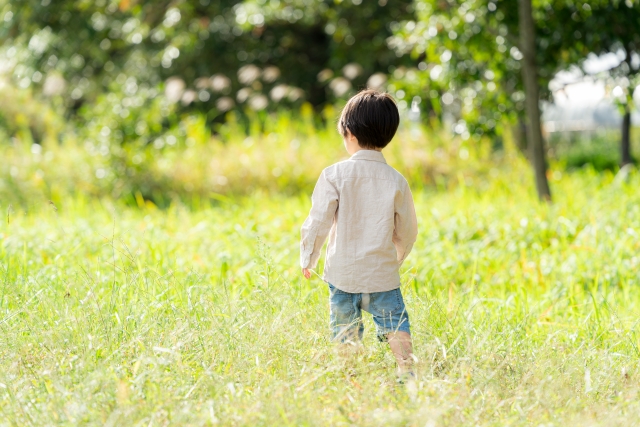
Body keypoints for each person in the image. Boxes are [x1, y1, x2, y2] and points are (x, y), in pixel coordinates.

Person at [299, 89, 418, 380]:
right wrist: (397, 258)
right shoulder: (397, 180)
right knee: (395, 322)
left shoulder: (333, 175)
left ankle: (350, 377)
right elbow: (408, 229)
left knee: (344, 329)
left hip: (343, 274)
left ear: (348, 132)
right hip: (382, 274)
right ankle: (407, 369)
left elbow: (318, 222)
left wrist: (308, 257)